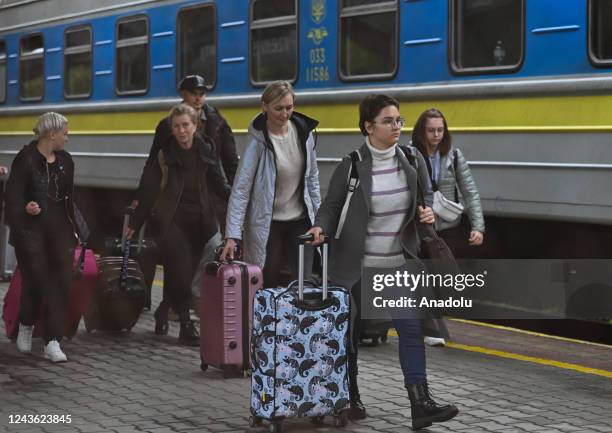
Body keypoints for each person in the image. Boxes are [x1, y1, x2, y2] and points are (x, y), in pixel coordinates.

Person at [307, 95, 459, 429]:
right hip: (357, 266)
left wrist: (428, 214)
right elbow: (331, 206)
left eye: (399, 120)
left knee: (409, 328)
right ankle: (350, 396)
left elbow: (423, 204)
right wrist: (320, 227)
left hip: (396, 265)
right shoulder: (352, 164)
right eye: (389, 121)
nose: (397, 127)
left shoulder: (411, 158)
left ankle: (421, 403)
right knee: (350, 333)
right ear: (368, 126)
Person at [134, 74, 239, 331]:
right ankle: (184, 321)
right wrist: (140, 205)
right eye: (193, 92)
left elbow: (227, 164)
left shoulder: (215, 124)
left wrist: (239, 197)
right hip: (171, 211)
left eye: (202, 92)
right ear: (183, 94)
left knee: (195, 259)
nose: (198, 96)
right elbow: (152, 169)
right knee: (178, 263)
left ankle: (166, 308)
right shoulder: (166, 133)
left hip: (205, 204)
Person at [219, 80, 321, 288]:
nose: (284, 114)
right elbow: (241, 190)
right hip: (268, 223)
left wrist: (319, 221)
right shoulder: (258, 142)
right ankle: (264, 320)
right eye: (278, 109)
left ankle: (298, 321)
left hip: (300, 220)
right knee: (268, 280)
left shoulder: (304, 134)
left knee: (303, 282)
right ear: (264, 106)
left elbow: (312, 181)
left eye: (289, 107)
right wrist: (232, 236)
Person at [5, 112, 81, 363]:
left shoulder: (66, 161)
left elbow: (70, 200)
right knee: (36, 282)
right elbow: (12, 196)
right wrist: (26, 207)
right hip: (30, 234)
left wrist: (80, 230)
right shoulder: (25, 159)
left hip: (60, 234)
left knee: (61, 286)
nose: (67, 139)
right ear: (52, 133)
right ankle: (26, 324)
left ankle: (52, 341)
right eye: (65, 134)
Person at [412, 108, 485, 347]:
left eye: (440, 130)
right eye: (431, 130)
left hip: (448, 227)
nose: (436, 135)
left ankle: (431, 325)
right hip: (421, 226)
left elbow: (470, 191)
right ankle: (431, 328)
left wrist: (478, 227)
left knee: (443, 276)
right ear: (421, 132)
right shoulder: (411, 155)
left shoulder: (454, 156)